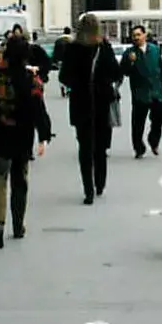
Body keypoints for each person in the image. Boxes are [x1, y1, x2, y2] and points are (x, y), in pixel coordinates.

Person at [0, 35, 52, 248]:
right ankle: (18, 224)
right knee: (20, 181)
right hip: (22, 137)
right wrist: (44, 135)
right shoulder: (30, 79)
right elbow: (38, 109)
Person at [58, 13, 122, 203]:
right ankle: (100, 182)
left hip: (80, 103)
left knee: (84, 147)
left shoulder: (72, 49)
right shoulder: (104, 48)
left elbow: (64, 77)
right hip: (101, 103)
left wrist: (78, 84)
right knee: (100, 147)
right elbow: (116, 73)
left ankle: (88, 190)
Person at [122, 24, 162, 159]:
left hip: (156, 91)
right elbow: (125, 72)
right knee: (138, 123)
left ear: (145, 35)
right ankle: (139, 148)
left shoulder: (154, 50)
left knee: (157, 121)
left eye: (138, 35)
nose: (136, 38)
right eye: (134, 36)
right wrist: (130, 63)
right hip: (139, 93)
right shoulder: (129, 53)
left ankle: (154, 142)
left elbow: (161, 70)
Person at [52, 26, 72, 97]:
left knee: (61, 73)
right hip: (70, 60)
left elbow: (55, 52)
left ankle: (62, 87)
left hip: (60, 60)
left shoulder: (58, 40)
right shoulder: (72, 40)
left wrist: (54, 61)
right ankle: (69, 89)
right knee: (70, 74)